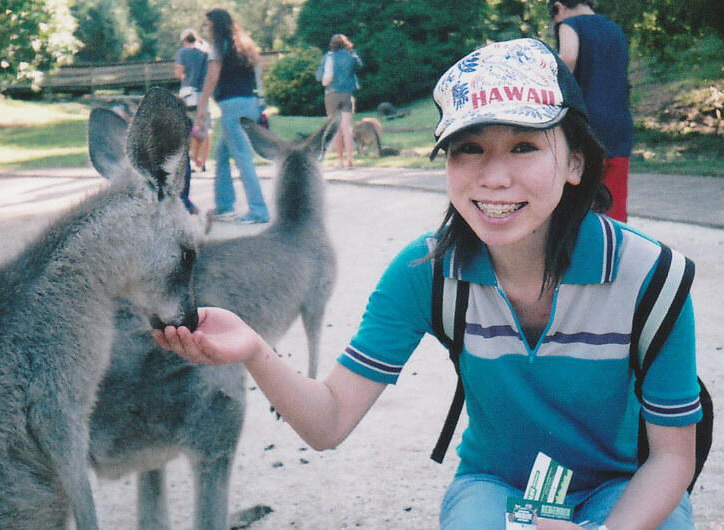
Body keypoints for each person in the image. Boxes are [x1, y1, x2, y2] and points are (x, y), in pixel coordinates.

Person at [154, 39, 700, 529]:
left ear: (576, 162)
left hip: (623, 488)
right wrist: (253, 348)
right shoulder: (427, 270)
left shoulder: (651, 278)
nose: (492, 176)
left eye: (524, 146)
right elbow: (329, 421)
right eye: (468, 148)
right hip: (498, 488)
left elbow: (674, 456)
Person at [550, 0, 634, 222]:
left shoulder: (570, 24)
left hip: (586, 125)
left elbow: (568, 58)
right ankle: (615, 250)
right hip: (619, 123)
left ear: (559, 8)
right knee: (614, 204)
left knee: (580, 201)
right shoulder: (614, 29)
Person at [195, 8, 270, 224]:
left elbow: (212, 77)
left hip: (231, 107)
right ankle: (224, 205)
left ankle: (258, 209)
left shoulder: (219, 46)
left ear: (216, 25)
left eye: (208, 24)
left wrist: (202, 107)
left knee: (243, 158)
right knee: (221, 154)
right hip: (250, 104)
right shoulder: (245, 46)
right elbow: (258, 74)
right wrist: (261, 102)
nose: (206, 28)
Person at [174, 28, 209, 215]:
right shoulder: (205, 51)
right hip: (203, 95)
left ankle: (191, 159)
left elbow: (179, 75)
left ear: (184, 40)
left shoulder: (183, 52)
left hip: (187, 94)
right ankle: (201, 162)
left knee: (184, 136)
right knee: (202, 131)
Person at [316, 34, 363, 169]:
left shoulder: (328, 57)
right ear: (345, 43)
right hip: (347, 94)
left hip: (332, 95)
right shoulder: (351, 56)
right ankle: (350, 158)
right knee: (346, 127)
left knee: (335, 129)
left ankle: (340, 161)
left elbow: (319, 76)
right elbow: (359, 64)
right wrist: (352, 51)